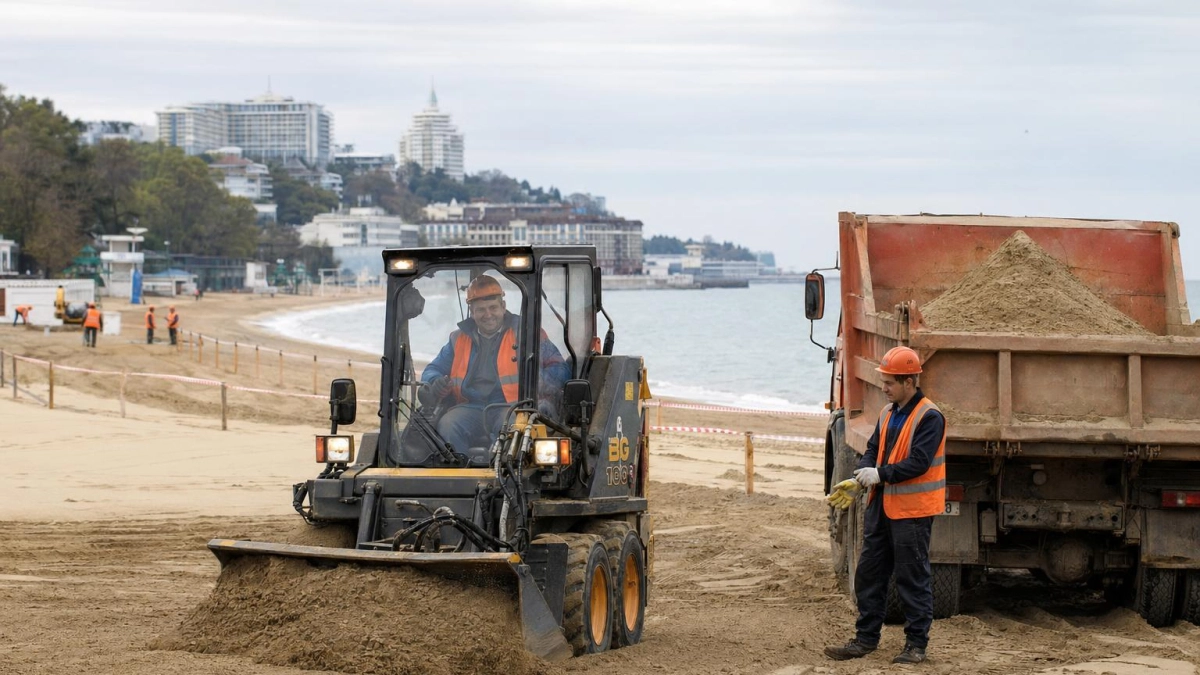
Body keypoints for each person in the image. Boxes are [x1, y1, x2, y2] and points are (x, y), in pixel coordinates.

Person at [824, 345, 946, 666]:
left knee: (912, 578)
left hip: (913, 512)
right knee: (870, 573)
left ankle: (916, 645)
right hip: (882, 508)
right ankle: (865, 639)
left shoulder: (930, 417)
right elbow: (873, 449)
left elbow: (918, 463)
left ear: (909, 381)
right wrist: (861, 476)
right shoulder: (887, 412)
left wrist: (879, 474)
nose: (884, 387)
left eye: (890, 382)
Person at [419, 275, 570, 455]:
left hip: (511, 406)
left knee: (514, 427)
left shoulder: (528, 334)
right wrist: (435, 381)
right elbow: (432, 369)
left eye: (493, 307)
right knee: (448, 424)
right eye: (481, 310)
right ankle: (459, 475)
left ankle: (504, 476)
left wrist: (538, 382)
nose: (488, 314)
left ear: (503, 307)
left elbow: (559, 368)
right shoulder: (458, 339)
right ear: (472, 312)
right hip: (471, 406)